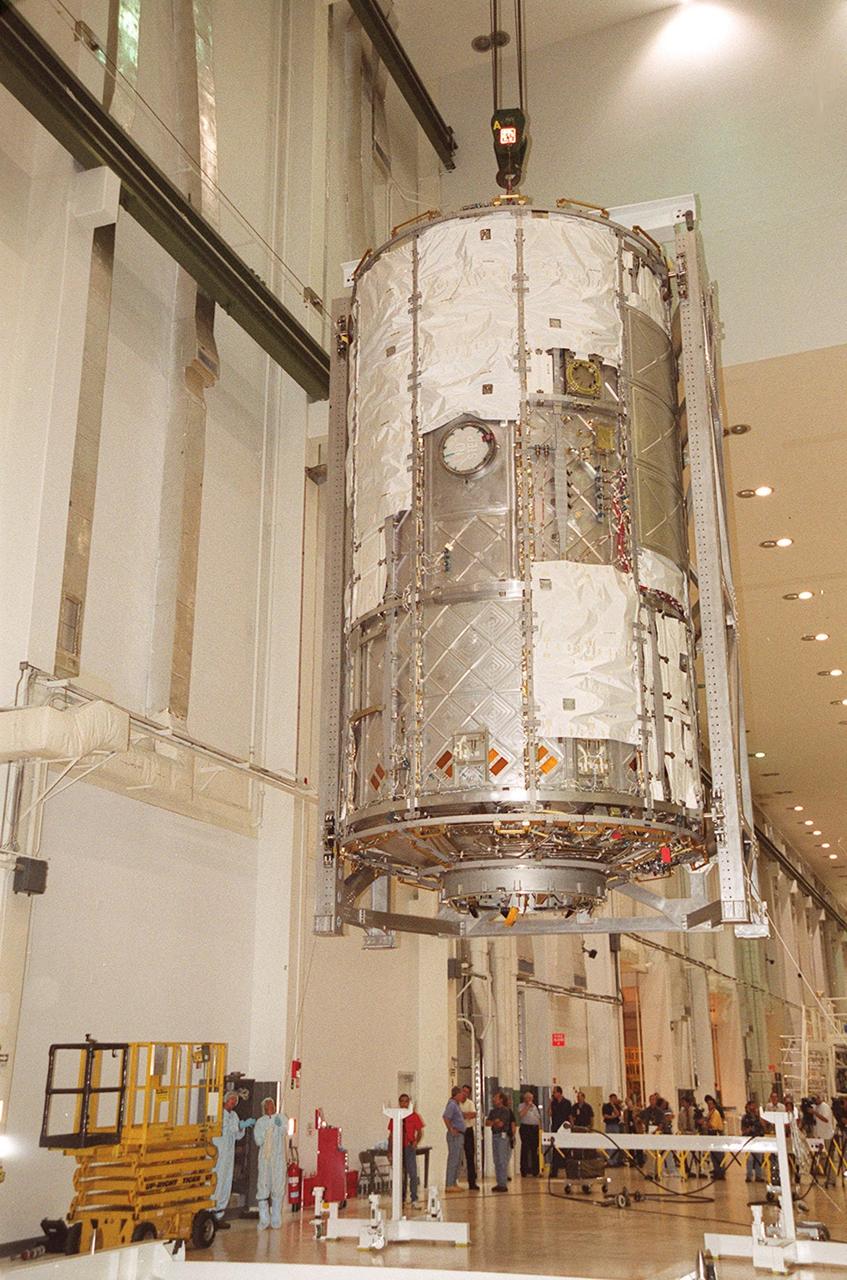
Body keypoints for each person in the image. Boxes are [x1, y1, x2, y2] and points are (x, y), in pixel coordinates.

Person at [212, 1091, 254, 1224]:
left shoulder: (234, 1115)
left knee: (226, 1182)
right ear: (225, 1100)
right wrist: (239, 1125)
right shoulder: (218, 1114)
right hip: (219, 1152)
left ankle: (220, 1214)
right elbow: (226, 1128)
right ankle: (211, 1211)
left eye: (235, 1101)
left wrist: (241, 1128)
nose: (233, 1103)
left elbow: (237, 1135)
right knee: (217, 1180)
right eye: (231, 1100)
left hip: (229, 1154)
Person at [254, 1096, 287, 1229]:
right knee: (263, 1185)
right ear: (264, 1108)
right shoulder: (260, 1122)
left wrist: (279, 1125)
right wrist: (266, 1132)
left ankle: (276, 1219)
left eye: (272, 1105)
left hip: (278, 1159)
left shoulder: (281, 1118)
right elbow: (258, 1141)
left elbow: (285, 1130)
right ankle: (264, 1219)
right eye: (268, 1106)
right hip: (265, 1160)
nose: (270, 1108)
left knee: (278, 1186)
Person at [388, 1093, 424, 1207]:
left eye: (406, 1101)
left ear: (409, 1103)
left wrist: (416, 1142)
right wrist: (390, 1151)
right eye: (402, 1101)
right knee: (400, 1174)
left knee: (413, 1174)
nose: (404, 1103)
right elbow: (391, 1135)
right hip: (398, 1148)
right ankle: (400, 1198)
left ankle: (414, 1199)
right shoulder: (395, 1116)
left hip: (409, 1148)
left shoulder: (414, 1115)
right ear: (399, 1103)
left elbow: (420, 1131)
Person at [485, 1090, 516, 1192]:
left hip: (502, 1137)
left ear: (501, 1100)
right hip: (494, 1136)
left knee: (502, 1160)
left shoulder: (505, 1111)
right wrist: (495, 1121)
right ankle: (499, 1183)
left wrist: (493, 1122)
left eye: (496, 1097)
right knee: (496, 1160)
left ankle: (503, 1184)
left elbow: (501, 1124)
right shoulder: (492, 1111)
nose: (493, 1099)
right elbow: (487, 1123)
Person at [442, 1085, 467, 1191]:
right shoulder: (452, 1104)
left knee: (457, 1159)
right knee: (453, 1159)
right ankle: (449, 1184)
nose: (463, 1096)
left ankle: (453, 1182)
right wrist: (451, 1129)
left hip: (460, 1135)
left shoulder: (456, 1105)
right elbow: (446, 1117)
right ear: (456, 1094)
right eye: (461, 1094)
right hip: (455, 1136)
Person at [460, 1085, 480, 1190]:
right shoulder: (456, 1102)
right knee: (457, 1156)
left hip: (468, 1131)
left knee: (470, 1156)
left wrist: (463, 1115)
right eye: (463, 1091)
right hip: (459, 1131)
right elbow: (458, 1115)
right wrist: (464, 1115)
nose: (464, 1093)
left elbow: (473, 1114)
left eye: (467, 1092)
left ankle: (472, 1182)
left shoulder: (470, 1103)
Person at [518, 1090, 542, 1177]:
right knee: (525, 1149)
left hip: (534, 1129)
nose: (530, 1099)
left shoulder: (534, 1107)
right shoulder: (521, 1106)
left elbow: (538, 1117)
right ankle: (524, 1170)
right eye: (528, 1098)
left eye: (531, 1098)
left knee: (534, 1149)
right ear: (525, 1098)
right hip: (526, 1128)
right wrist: (527, 1106)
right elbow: (521, 1115)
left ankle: (535, 1170)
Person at [741, 1099, 765, 1183]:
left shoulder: (758, 1117)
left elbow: (762, 1127)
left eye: (754, 1106)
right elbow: (743, 1130)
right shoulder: (745, 1118)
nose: (753, 1108)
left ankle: (759, 1176)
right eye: (751, 1106)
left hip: (758, 1140)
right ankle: (749, 1175)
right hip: (749, 1140)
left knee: (759, 1158)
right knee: (750, 1159)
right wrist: (749, 1129)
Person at [549, 1086, 571, 1177]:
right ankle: (554, 1171)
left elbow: (570, 1115)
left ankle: (569, 1170)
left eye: (554, 1092)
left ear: (559, 1093)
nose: (553, 1094)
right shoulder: (553, 1103)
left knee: (566, 1150)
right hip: (555, 1128)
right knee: (555, 1150)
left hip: (564, 1129)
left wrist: (571, 1127)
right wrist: (550, 1104)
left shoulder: (567, 1103)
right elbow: (549, 1114)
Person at [704, 1095, 726, 1180]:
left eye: (710, 1104)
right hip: (711, 1135)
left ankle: (721, 1171)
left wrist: (705, 1123)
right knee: (713, 1155)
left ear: (714, 1104)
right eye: (708, 1104)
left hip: (717, 1134)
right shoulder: (710, 1113)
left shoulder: (716, 1113)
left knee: (718, 1154)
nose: (709, 1106)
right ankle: (716, 1170)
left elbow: (713, 1125)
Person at [601, 1093, 624, 1167]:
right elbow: (605, 1116)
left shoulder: (617, 1106)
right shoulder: (605, 1106)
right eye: (612, 1098)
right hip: (609, 1125)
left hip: (616, 1125)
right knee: (609, 1142)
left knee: (616, 1143)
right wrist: (613, 1117)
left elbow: (618, 1114)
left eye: (615, 1099)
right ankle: (609, 1161)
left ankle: (615, 1161)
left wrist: (613, 1106)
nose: (614, 1100)